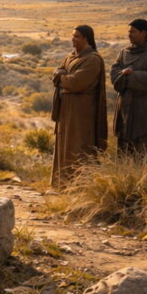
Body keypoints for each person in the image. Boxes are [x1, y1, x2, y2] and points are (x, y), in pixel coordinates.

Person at [50, 25, 108, 187]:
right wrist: (61, 76)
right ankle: (62, 185)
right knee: (64, 145)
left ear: (86, 38)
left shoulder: (93, 60)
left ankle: (80, 187)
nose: (72, 40)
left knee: (79, 146)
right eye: (72, 36)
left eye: (76, 36)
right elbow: (58, 72)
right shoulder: (71, 57)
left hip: (82, 112)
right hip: (66, 109)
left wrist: (61, 78)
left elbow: (76, 83)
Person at [111, 18, 147, 157]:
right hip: (124, 110)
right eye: (129, 31)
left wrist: (130, 75)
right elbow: (114, 73)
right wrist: (123, 75)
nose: (129, 34)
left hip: (144, 111)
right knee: (124, 154)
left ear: (144, 33)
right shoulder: (124, 53)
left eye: (133, 32)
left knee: (144, 154)